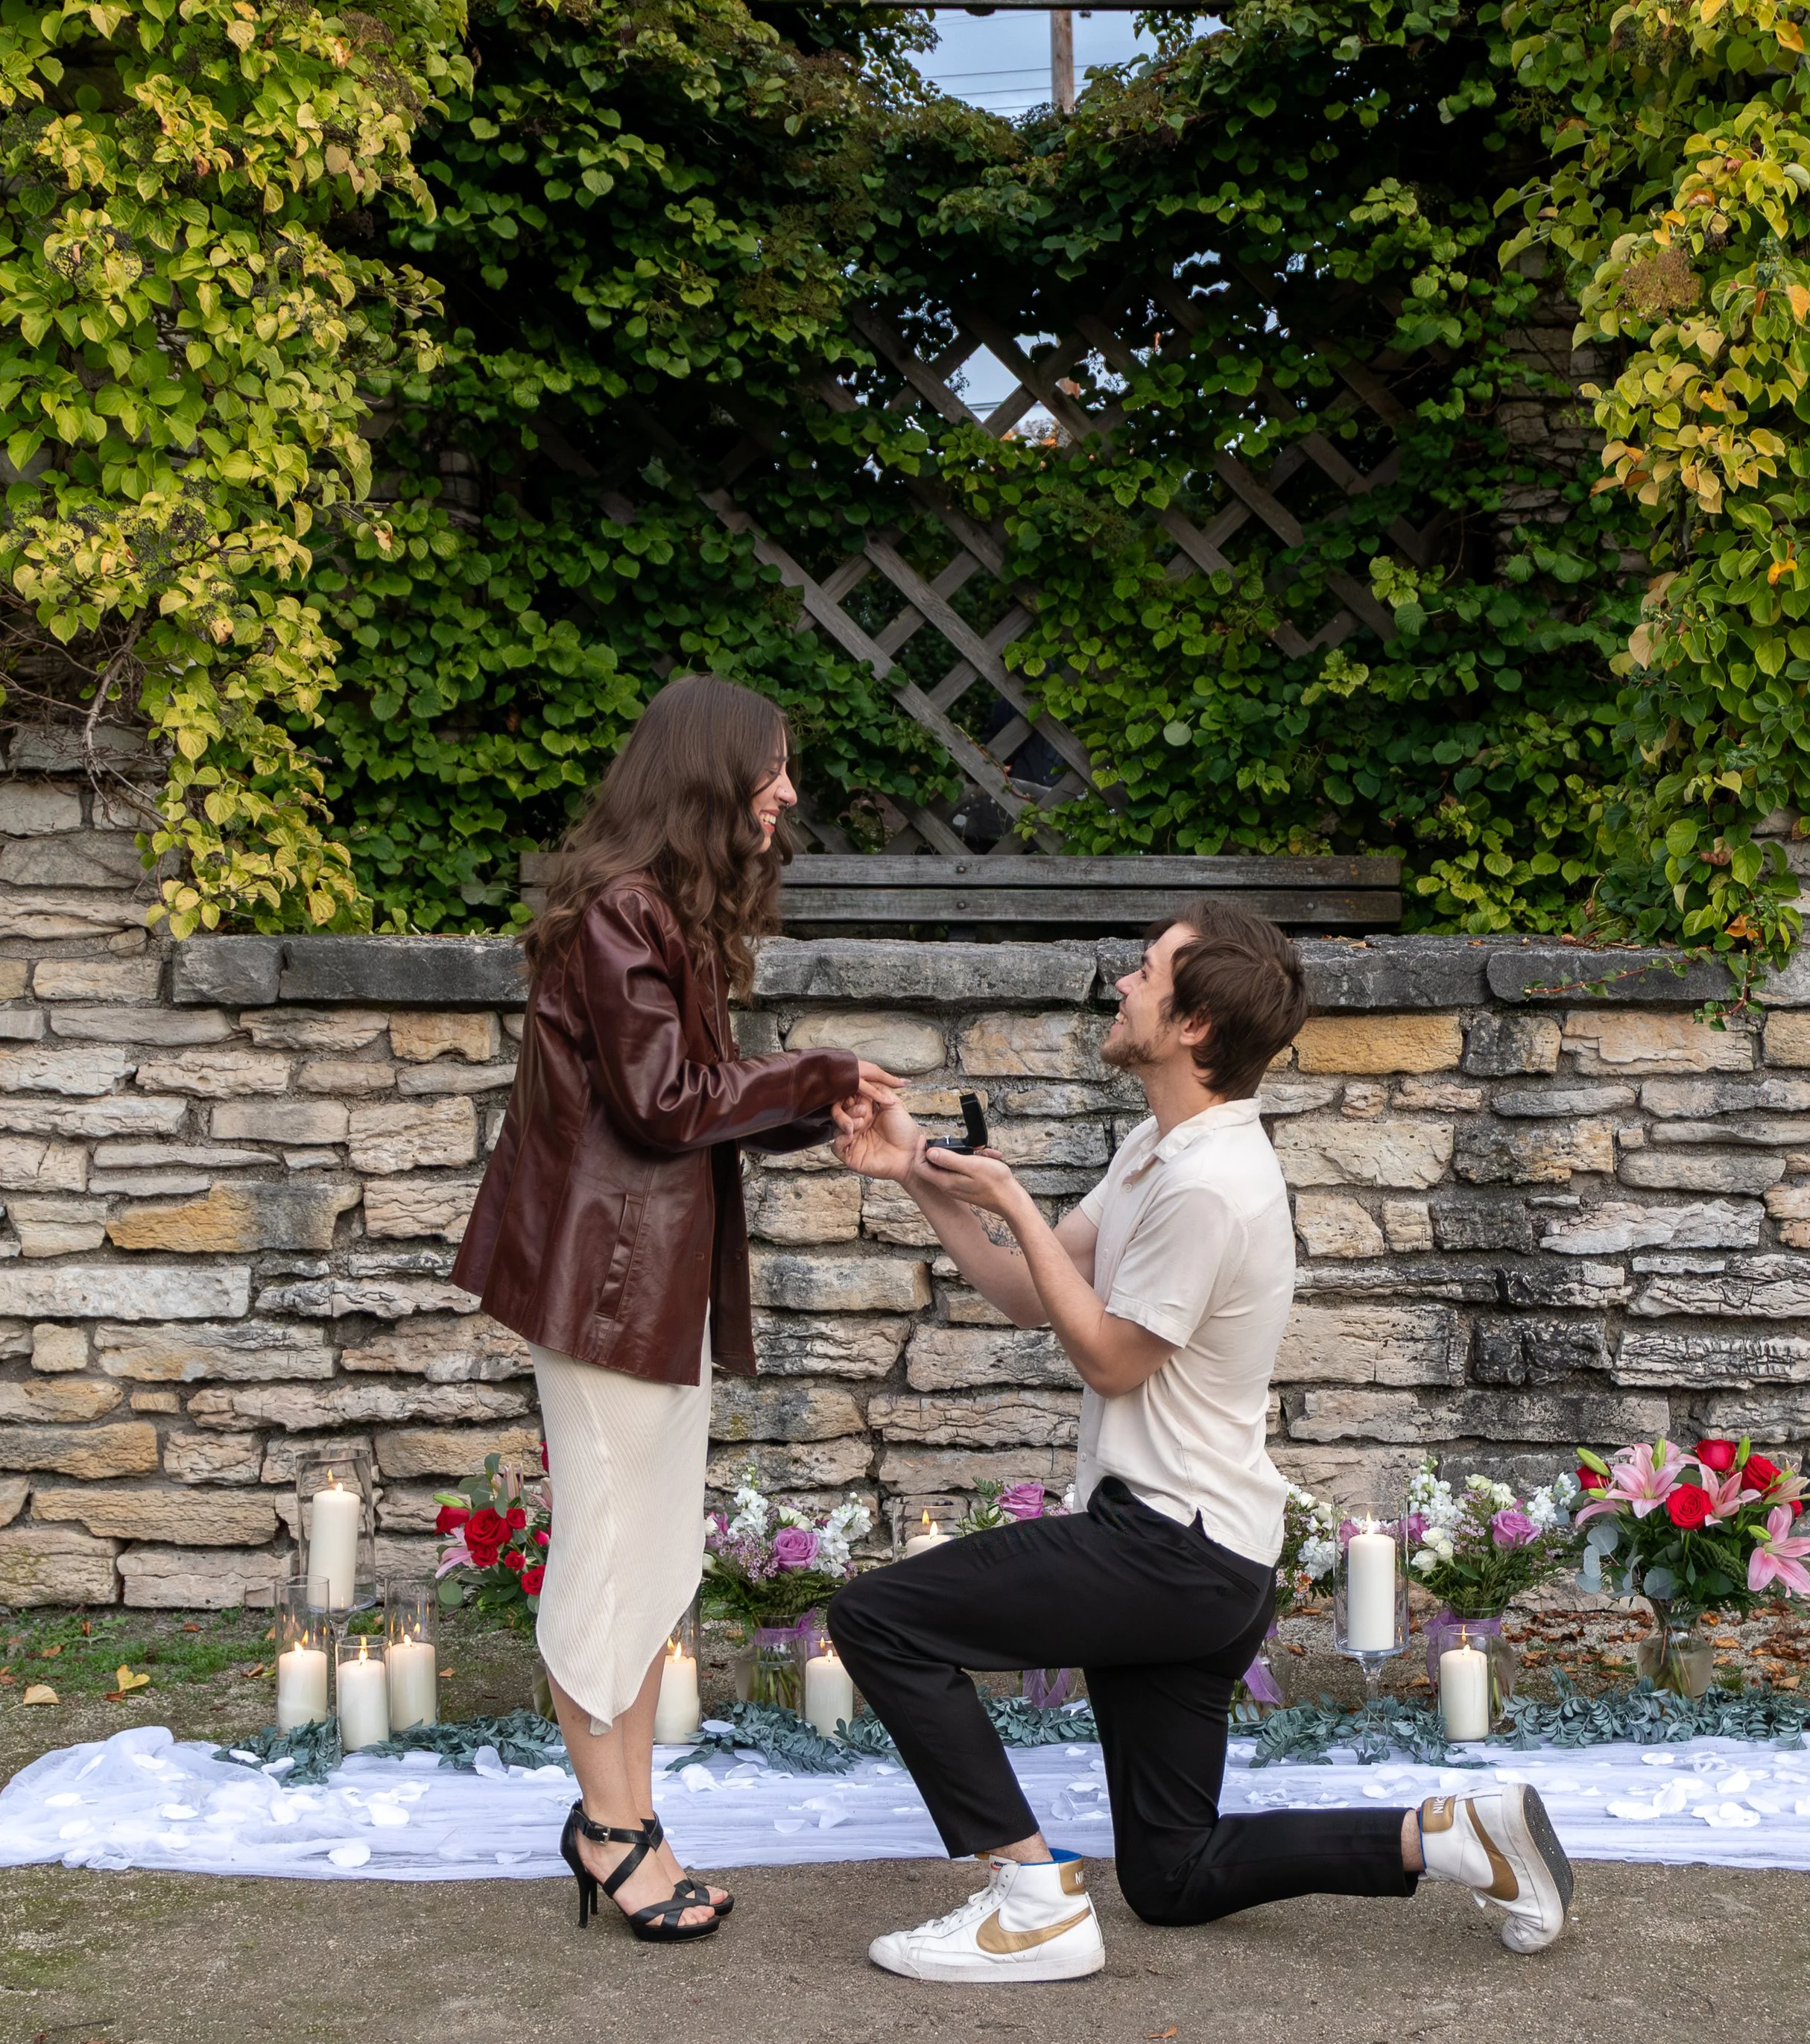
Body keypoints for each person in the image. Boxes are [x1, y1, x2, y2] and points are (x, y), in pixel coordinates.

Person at [827, 903, 1573, 1984]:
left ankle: (1031, 1898)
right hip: (1199, 1557)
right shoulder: (1161, 1146)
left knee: (877, 1617)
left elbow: (1112, 1360)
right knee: (1171, 1877)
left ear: (1195, 1024)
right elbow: (1029, 1295)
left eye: (1145, 972)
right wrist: (916, 1175)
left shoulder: (1212, 1183)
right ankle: (1455, 1834)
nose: (1123, 984)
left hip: (1169, 1549)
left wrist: (1005, 1197)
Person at [452, 674, 900, 1943]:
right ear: (709, 773)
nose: (788, 792)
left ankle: (631, 1819)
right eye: (772, 767)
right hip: (608, 1289)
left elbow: (688, 1093)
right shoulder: (621, 913)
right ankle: (607, 1830)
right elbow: (664, 1100)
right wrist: (813, 1069)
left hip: (644, 1285)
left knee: (649, 1560)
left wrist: (818, 1107)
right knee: (609, 1556)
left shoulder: (659, 915)